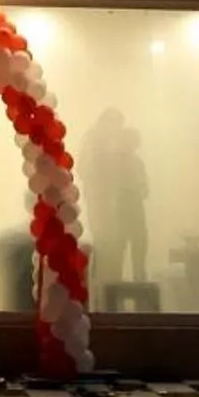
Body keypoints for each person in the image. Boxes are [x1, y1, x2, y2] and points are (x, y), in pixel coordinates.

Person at [84, 111, 150, 285]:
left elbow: (144, 189)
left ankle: (133, 281)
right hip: (112, 210)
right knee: (113, 251)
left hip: (125, 209)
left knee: (135, 244)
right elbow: (91, 176)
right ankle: (109, 288)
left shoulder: (133, 162)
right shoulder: (97, 147)